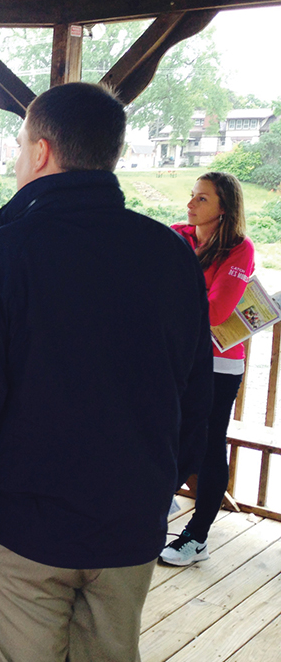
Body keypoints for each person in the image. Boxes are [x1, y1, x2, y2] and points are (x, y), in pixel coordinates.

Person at [0, 82, 212, 662]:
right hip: (128, 526)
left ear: (43, 152)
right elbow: (194, 393)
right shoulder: (169, 255)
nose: (17, 157)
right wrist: (157, 487)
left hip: (15, 532)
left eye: (21, 144)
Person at [159, 172, 254, 567]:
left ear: (224, 208)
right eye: (192, 196)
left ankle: (197, 536)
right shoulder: (175, 236)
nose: (191, 204)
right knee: (163, 432)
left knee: (210, 442)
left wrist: (172, 298)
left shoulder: (239, 249)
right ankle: (155, 506)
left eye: (202, 199)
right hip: (176, 357)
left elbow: (218, 310)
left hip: (219, 362)